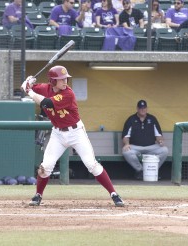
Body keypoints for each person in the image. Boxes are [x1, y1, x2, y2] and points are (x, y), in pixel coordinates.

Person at [21, 65, 124, 207]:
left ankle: (114, 194)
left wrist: (29, 91)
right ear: (52, 81)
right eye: (61, 79)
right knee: (46, 166)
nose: (65, 82)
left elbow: (46, 102)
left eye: (65, 79)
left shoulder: (68, 94)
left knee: (91, 164)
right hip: (57, 133)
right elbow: (32, 88)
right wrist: (28, 83)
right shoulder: (46, 88)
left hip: (76, 132)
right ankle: (38, 195)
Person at [121, 100, 168, 180]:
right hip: (135, 147)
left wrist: (160, 141)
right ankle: (141, 170)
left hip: (151, 147)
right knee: (126, 151)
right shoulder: (131, 119)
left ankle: (152, 169)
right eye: (140, 108)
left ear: (147, 108)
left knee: (165, 150)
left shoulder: (152, 119)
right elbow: (125, 136)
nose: (142, 110)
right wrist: (126, 144)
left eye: (144, 108)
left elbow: (158, 135)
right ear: (137, 109)